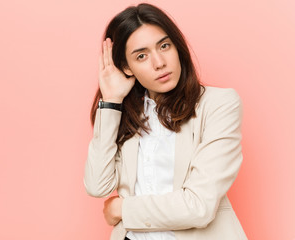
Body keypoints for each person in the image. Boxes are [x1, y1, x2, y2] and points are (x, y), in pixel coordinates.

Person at [84, 3, 247, 240]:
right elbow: (97, 185)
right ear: (126, 67)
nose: (159, 62)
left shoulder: (219, 105)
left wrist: (122, 209)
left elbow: (198, 206)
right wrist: (111, 102)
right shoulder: (128, 115)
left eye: (164, 46)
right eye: (141, 56)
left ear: (177, 47)